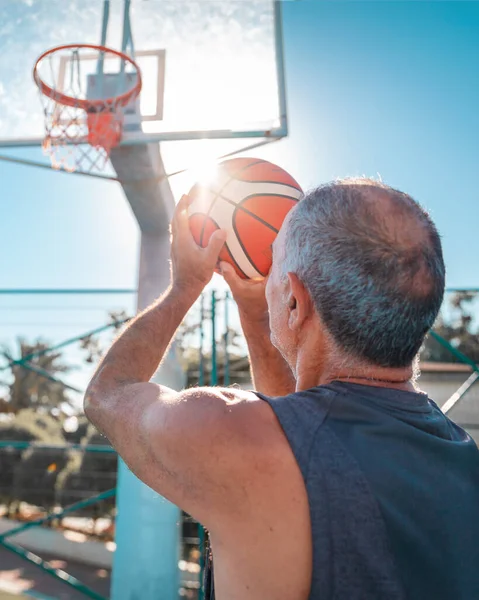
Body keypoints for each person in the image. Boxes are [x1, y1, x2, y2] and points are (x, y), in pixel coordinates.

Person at [84, 178, 479, 600]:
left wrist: (183, 287)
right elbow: (302, 421)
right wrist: (257, 315)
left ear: (293, 300)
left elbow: (107, 394)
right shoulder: (463, 457)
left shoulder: (229, 432)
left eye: (273, 263)